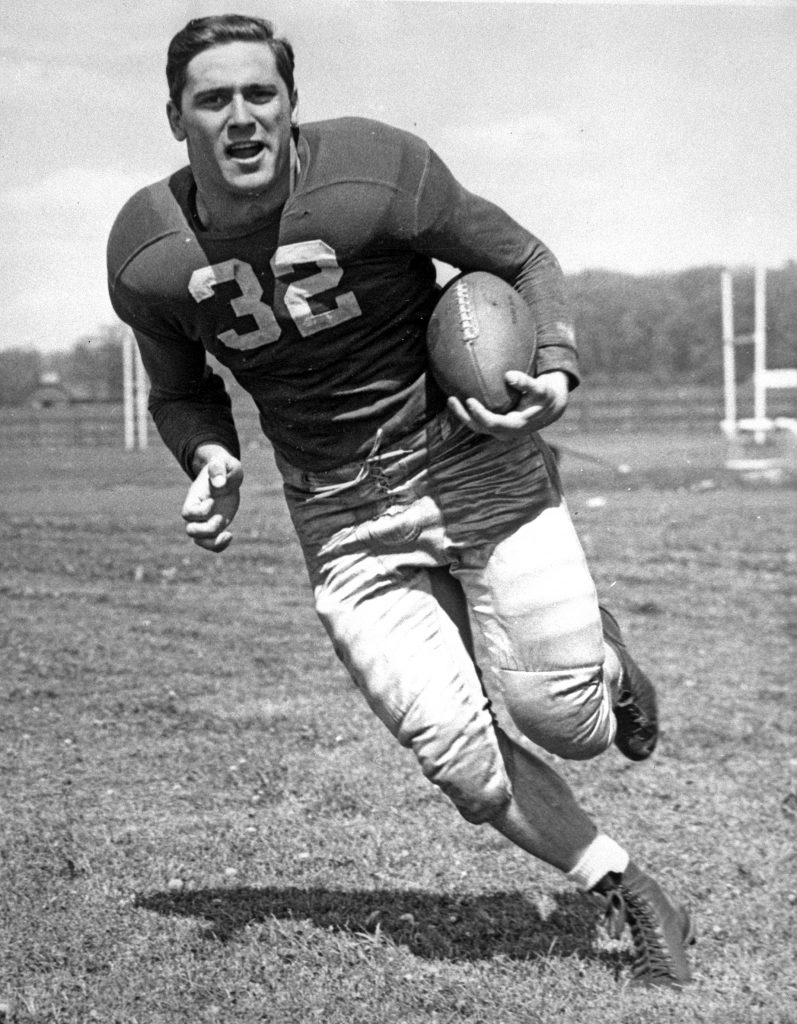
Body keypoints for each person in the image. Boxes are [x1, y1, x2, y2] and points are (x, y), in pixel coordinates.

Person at [107, 14, 695, 989]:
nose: (241, 117)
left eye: (262, 94)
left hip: (464, 457)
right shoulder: (146, 248)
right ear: (175, 117)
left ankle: (610, 661)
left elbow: (523, 258)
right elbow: (179, 386)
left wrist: (551, 362)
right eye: (214, 99)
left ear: (292, 105)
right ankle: (629, 888)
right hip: (336, 508)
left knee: (565, 722)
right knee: (461, 763)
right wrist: (207, 455)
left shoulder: (376, 172)